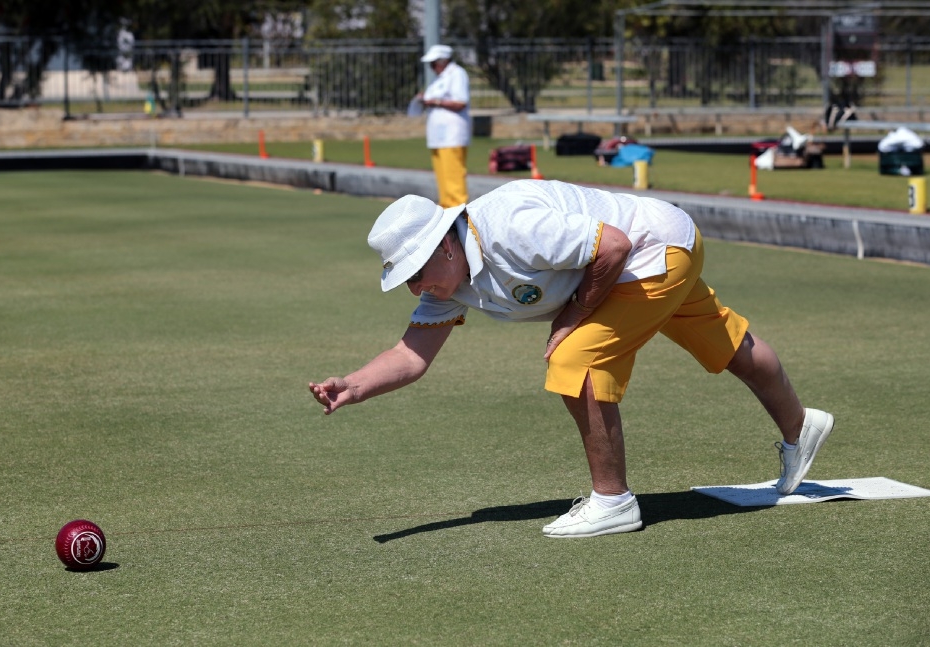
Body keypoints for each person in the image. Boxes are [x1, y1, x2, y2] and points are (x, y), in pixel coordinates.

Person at [308, 179, 834, 538]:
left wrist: (573, 315)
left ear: (444, 246)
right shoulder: (448, 283)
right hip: (662, 245)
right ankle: (801, 426)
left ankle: (613, 502)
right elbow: (410, 355)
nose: (414, 287)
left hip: (653, 250)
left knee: (574, 359)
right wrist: (354, 385)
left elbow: (613, 246)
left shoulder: (509, 226)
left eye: (415, 273)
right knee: (730, 346)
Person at [416, 44, 471, 209]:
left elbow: (460, 102)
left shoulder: (457, 74)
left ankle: (459, 212)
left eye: (433, 63)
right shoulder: (440, 78)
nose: (431, 67)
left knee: (453, 177)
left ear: (443, 61)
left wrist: (435, 102)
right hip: (438, 135)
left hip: (452, 134)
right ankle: (446, 209)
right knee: (443, 177)